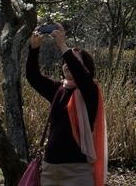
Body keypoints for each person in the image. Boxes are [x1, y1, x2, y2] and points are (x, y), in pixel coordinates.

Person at [26, 23, 107, 186]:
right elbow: (33, 77)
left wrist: (63, 45)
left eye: (75, 61)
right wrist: (34, 49)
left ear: (86, 69)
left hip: (78, 171)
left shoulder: (90, 91)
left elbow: (81, 76)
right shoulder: (59, 89)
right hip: (51, 169)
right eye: (65, 61)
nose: (68, 64)